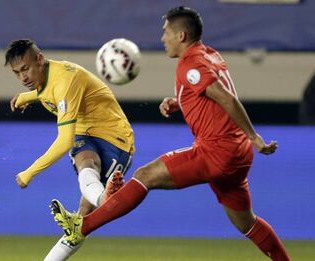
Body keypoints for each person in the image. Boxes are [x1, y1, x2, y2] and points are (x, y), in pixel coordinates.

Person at [50, 6, 291, 261]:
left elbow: (227, 98)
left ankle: (83, 227)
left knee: (145, 176)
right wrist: (181, 101)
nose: (163, 38)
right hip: (237, 154)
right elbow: (211, 94)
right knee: (247, 224)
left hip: (217, 150)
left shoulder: (191, 64)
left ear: (182, 36)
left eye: (166, 32)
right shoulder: (209, 54)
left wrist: (255, 137)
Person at [4, 39, 134, 260]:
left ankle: (103, 199)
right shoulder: (46, 78)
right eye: (17, 73)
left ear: (39, 59)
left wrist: (29, 173)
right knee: (78, 223)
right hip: (86, 134)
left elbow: (64, 141)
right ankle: (104, 197)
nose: (23, 77)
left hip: (115, 138)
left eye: (25, 69)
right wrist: (27, 96)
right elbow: (47, 92)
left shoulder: (65, 80)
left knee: (83, 217)